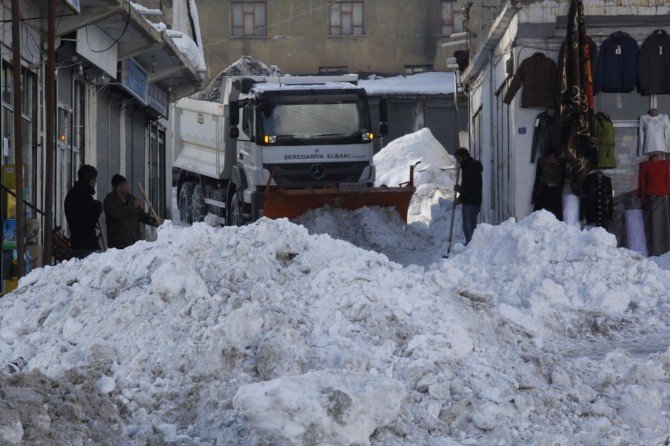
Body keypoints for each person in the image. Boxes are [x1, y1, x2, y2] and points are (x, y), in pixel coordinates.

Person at [104, 174, 161, 250]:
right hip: (118, 246)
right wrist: (132, 206)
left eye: (126, 183)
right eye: (125, 184)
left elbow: (141, 215)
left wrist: (153, 221)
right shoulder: (110, 201)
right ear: (118, 187)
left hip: (134, 243)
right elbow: (116, 215)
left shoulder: (130, 199)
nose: (127, 186)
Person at [64, 164, 103, 259]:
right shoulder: (83, 195)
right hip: (86, 244)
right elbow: (89, 221)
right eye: (95, 179)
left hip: (77, 242)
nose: (95, 182)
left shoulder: (72, 193)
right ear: (91, 180)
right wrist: (97, 207)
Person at [454, 148, 483, 244]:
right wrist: (460, 189)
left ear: (464, 157)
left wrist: (460, 198)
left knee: (470, 228)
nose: (458, 161)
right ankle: (468, 247)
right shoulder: (467, 167)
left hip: (472, 202)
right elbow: (467, 186)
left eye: (458, 158)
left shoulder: (470, 168)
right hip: (469, 201)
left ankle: (472, 247)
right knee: (466, 227)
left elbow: (470, 187)